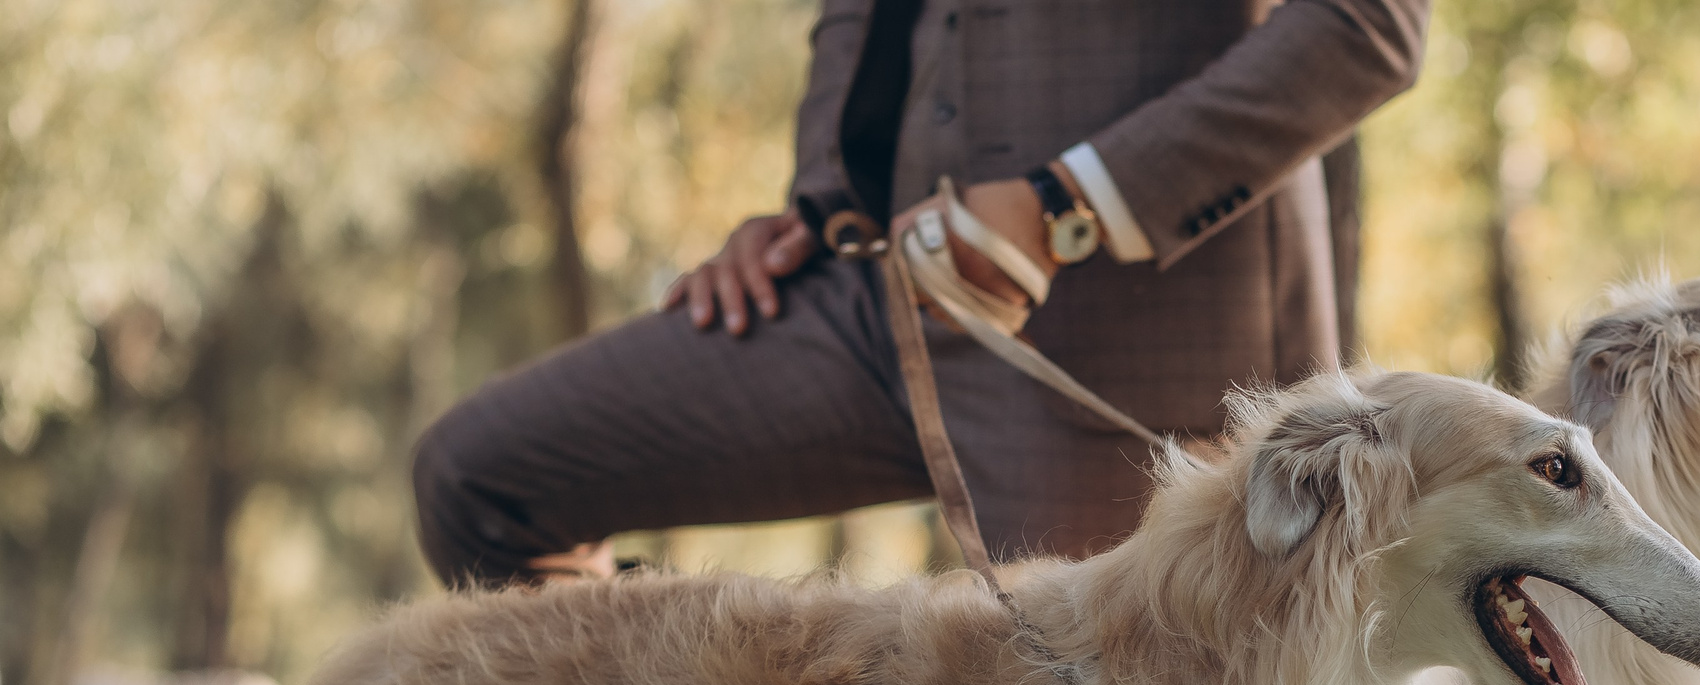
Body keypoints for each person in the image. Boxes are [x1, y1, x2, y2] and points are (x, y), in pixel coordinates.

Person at [412, 0, 1432, 590]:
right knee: (484, 480)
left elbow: (1367, 26)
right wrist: (815, 202)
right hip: (870, 296)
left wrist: (1068, 204)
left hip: (1138, 338)